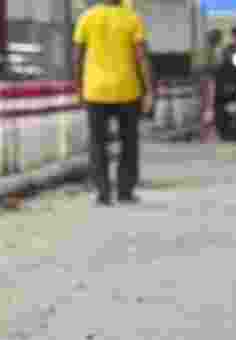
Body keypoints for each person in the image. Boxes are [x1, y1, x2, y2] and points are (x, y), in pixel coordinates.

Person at [73, 0, 152, 206]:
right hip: (127, 90)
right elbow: (142, 57)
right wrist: (149, 90)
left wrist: (78, 87)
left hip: (95, 90)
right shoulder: (132, 18)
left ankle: (103, 192)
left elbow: (78, 58)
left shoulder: (87, 18)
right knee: (129, 142)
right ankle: (125, 191)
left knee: (98, 142)